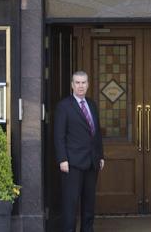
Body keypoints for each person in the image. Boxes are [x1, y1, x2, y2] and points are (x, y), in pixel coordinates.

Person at [54, 70, 104, 232]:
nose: (80, 86)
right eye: (77, 82)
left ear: (88, 85)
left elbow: (96, 133)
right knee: (71, 204)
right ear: (72, 85)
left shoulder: (92, 105)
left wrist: (100, 155)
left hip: (92, 162)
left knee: (89, 204)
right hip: (72, 163)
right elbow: (59, 135)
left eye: (83, 82)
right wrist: (62, 159)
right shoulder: (64, 106)